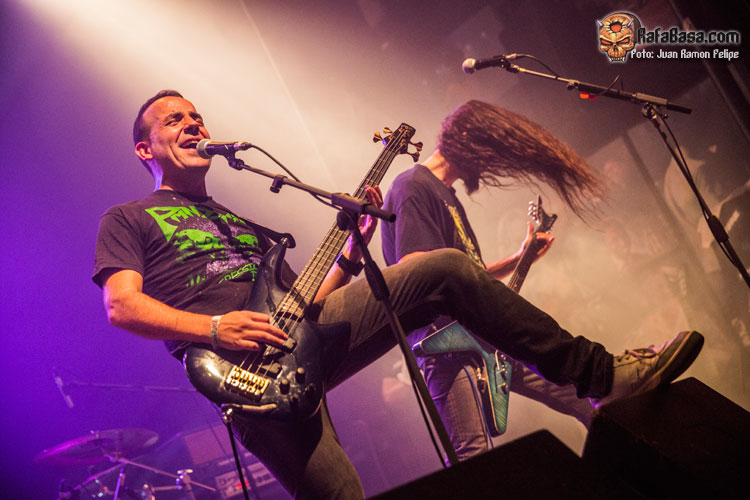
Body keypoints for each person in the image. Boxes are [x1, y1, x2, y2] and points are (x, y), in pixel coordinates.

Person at [93, 90, 704, 499]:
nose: (193, 125)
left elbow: (308, 302)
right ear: (145, 149)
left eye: (197, 117)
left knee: (443, 269)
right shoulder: (128, 217)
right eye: (174, 120)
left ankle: (601, 376)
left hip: (299, 335)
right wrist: (215, 328)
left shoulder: (247, 225)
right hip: (242, 376)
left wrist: (354, 248)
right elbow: (121, 305)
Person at [381, 100, 604, 460]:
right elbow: (416, 269)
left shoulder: (448, 196)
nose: (487, 165)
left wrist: (519, 258)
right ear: (466, 137)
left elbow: (467, 277)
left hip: (484, 334)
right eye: (488, 153)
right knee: (474, 455)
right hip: (446, 348)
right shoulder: (412, 187)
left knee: (583, 397)